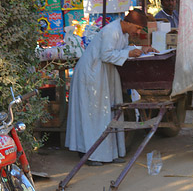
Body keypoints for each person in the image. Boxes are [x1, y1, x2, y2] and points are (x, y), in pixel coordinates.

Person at [65, 9, 156, 166]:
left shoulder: (123, 33)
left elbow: (119, 51)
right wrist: (129, 54)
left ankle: (108, 153)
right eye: (138, 28)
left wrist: (141, 50)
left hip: (103, 74)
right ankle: (90, 155)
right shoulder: (111, 31)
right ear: (128, 23)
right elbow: (106, 55)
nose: (138, 32)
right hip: (92, 74)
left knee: (107, 113)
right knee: (93, 114)